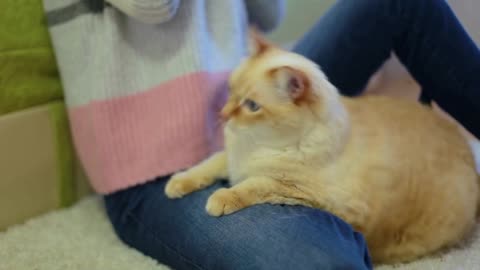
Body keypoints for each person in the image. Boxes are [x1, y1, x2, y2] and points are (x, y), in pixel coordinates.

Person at [44, 0, 479, 269]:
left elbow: (270, 12)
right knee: (318, 262)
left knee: (402, 4)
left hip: (255, 107)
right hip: (154, 169)